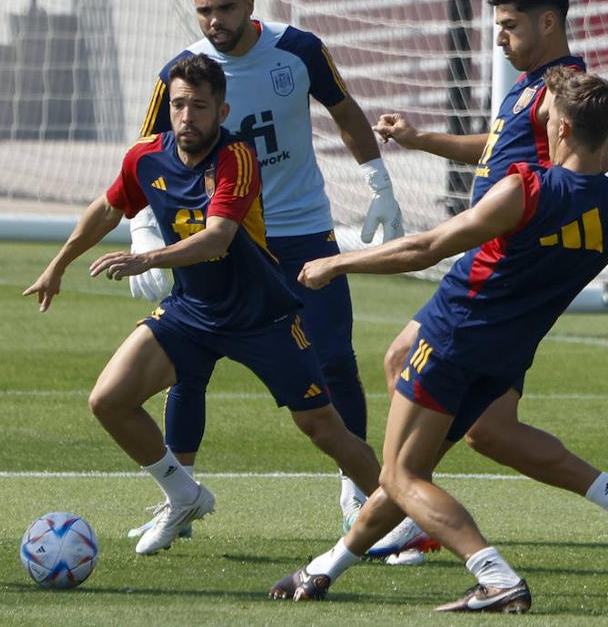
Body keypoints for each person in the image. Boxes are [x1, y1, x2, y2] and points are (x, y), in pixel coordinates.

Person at [268, 67, 608, 613]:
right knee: (411, 473)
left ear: (558, 126)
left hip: (451, 338)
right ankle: (324, 569)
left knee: (400, 473)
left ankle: (494, 575)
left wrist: (335, 263)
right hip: (505, 358)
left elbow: (428, 247)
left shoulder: (527, 187)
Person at [24, 54, 383, 556]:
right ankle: (183, 494)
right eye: (178, 105)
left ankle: (398, 511)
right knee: (109, 399)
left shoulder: (236, 158)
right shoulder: (146, 156)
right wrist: (58, 264)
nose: (186, 116)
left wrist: (148, 256)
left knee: (321, 426)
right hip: (192, 312)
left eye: (198, 105)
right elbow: (108, 208)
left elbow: (218, 239)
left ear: (221, 109)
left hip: (263, 315)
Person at [127, 0, 419, 555]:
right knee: (189, 367)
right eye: (205, 10)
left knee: (335, 357)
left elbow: (344, 111)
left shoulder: (298, 51)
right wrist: (140, 232)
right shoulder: (184, 74)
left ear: (250, 3)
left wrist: (378, 183)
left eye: (227, 8)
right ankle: (178, 497)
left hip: (302, 232)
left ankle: (358, 493)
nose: (215, 21)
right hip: (222, 236)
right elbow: (145, 156)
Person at [373, 0, 608, 574]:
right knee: (486, 428)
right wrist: (423, 139)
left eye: (509, 26)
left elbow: (584, 164)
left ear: (548, 22)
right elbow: (497, 146)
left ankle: (408, 513)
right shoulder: (529, 89)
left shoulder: (566, 87)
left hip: (498, 274)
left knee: (414, 369)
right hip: (492, 269)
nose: (499, 38)